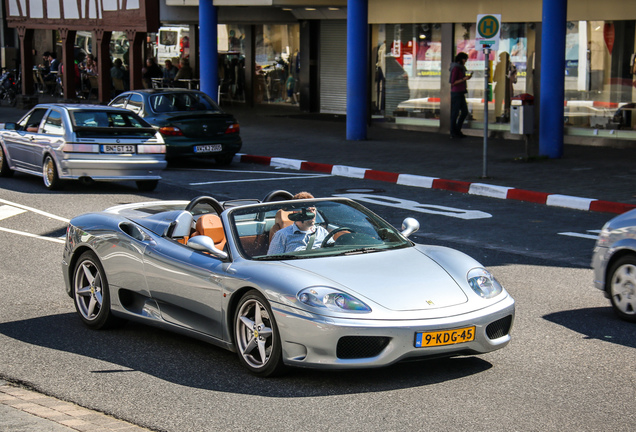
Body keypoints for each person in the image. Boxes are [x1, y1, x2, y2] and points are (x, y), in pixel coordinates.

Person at [449, 52, 471, 139]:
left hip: (461, 92)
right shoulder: (456, 68)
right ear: (462, 59)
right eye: (465, 59)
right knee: (455, 113)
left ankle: (457, 130)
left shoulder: (460, 68)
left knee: (464, 112)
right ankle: (453, 131)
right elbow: (453, 82)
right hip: (456, 92)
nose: (465, 61)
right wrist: (464, 79)